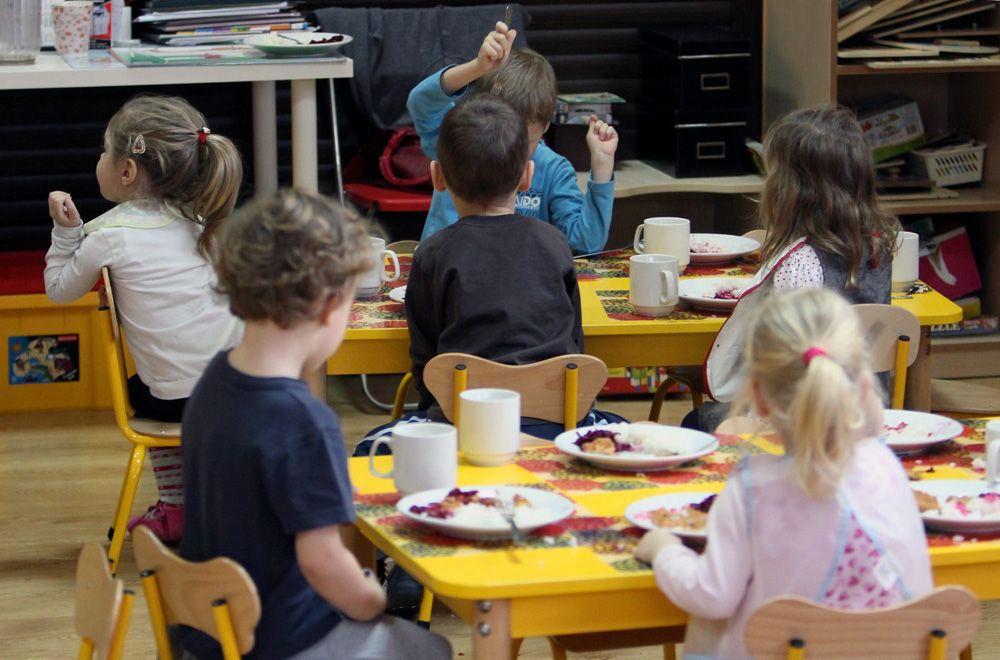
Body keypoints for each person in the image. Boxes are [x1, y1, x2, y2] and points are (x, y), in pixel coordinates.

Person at [177, 190, 451, 660]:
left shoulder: (213, 382)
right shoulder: (304, 420)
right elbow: (324, 562)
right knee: (430, 648)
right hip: (280, 641)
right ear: (329, 307)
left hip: (206, 631)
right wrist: (374, 600)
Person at [636, 288, 932, 659]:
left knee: (709, 627)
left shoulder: (752, 487)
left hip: (788, 648)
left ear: (758, 396)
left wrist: (663, 551)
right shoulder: (888, 466)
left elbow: (712, 596)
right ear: (864, 384)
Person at [44, 94, 243, 542]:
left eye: (103, 151)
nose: (100, 159)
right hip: (247, 388)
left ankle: (176, 507)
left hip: (180, 399)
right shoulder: (206, 221)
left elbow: (58, 290)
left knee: (149, 392)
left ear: (127, 170)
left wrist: (65, 233)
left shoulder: (109, 236)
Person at [692, 104, 899, 432]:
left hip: (799, 421)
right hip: (863, 411)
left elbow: (783, 366)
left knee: (698, 419)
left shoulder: (801, 264)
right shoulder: (877, 244)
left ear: (787, 190)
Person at [407, 20, 619, 255]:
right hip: (443, 271)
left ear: (545, 126)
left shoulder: (552, 169)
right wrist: (477, 67)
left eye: (522, 142)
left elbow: (583, 243)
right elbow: (421, 102)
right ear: (482, 111)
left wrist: (601, 167)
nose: (508, 151)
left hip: (511, 281)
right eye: (498, 133)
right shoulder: (461, 142)